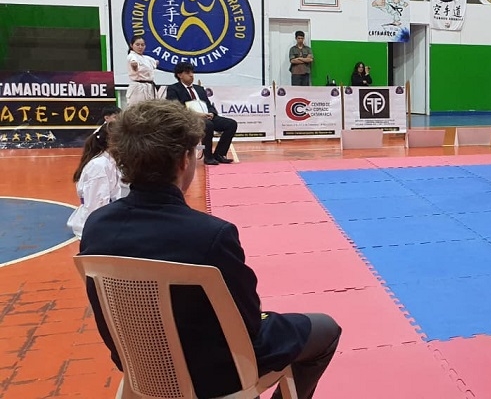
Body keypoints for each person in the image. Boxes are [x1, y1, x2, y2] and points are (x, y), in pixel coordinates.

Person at [78, 99, 341, 399]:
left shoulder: (97, 226)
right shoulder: (210, 235)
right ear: (184, 160)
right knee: (325, 329)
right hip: (217, 376)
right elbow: (248, 322)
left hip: (140, 366)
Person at [165, 62, 237, 165]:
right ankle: (208, 157)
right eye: (187, 73)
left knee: (231, 124)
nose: (191, 75)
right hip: (190, 118)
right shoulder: (174, 89)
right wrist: (198, 115)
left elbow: (209, 104)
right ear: (179, 75)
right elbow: (176, 108)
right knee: (208, 125)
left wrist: (211, 113)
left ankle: (220, 154)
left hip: (206, 116)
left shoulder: (199, 89)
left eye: (192, 72)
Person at [66, 122, 129, 237]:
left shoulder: (111, 161)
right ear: (113, 142)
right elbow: (96, 205)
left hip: (111, 215)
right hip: (97, 225)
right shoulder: (99, 166)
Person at [125, 35, 159, 107]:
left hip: (149, 86)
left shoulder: (147, 58)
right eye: (137, 45)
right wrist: (134, 66)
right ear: (131, 45)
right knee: (137, 109)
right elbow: (134, 63)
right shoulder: (132, 56)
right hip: (138, 87)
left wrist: (155, 63)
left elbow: (155, 62)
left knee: (151, 109)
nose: (140, 47)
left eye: (142, 45)